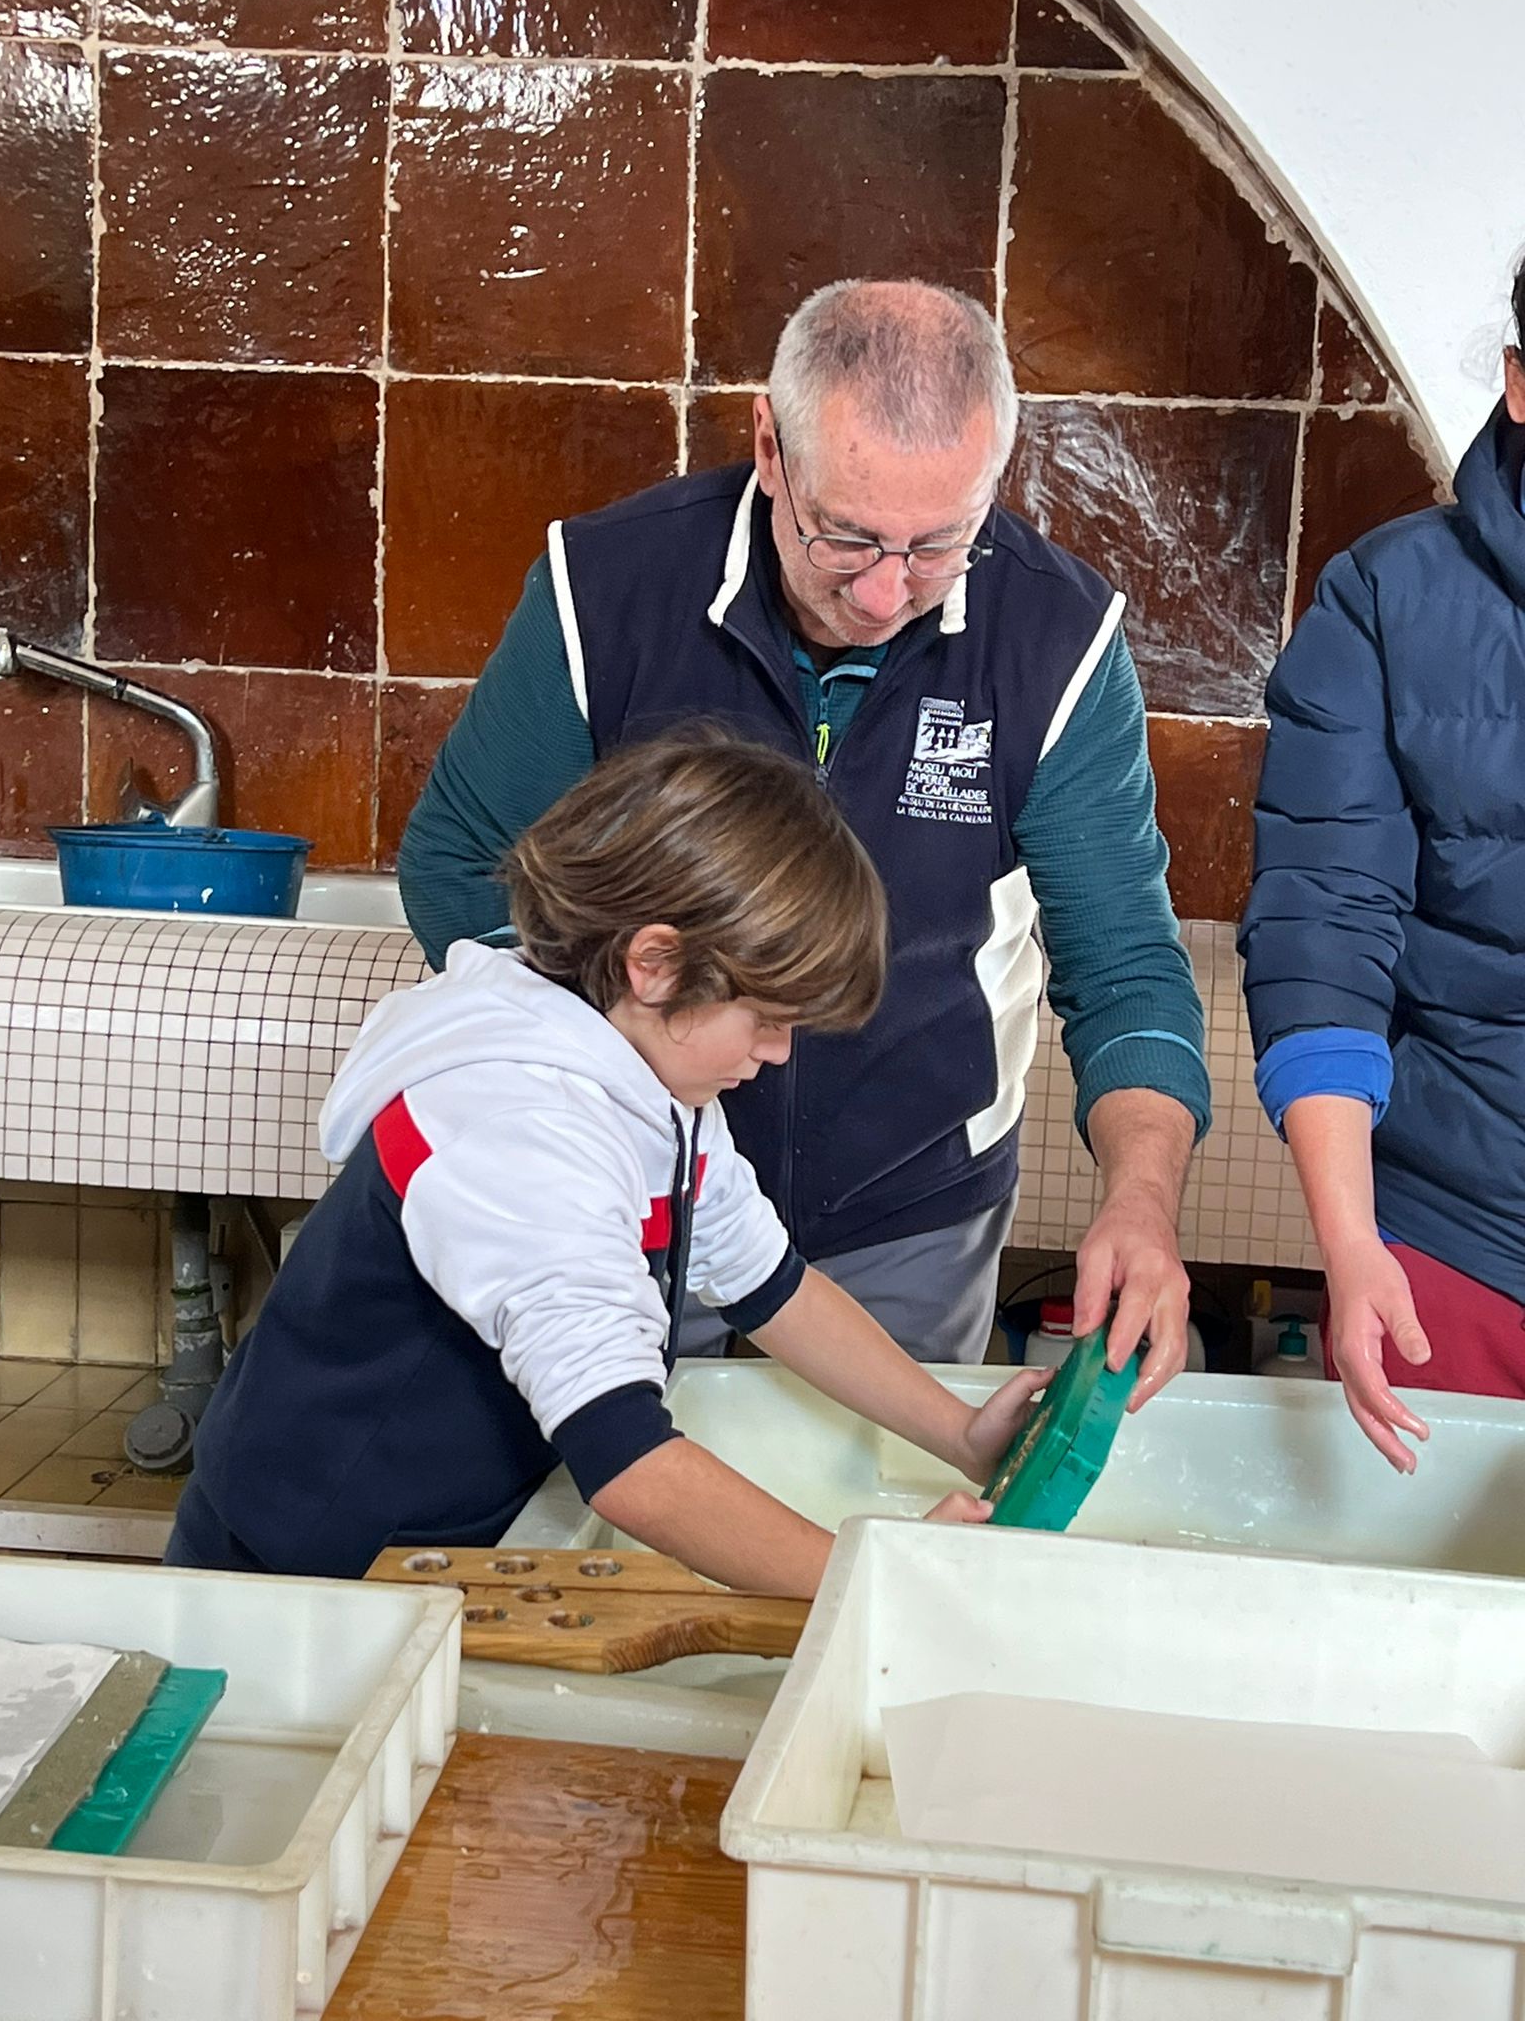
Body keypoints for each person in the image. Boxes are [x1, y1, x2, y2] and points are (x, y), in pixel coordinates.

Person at [400, 278, 1210, 1391]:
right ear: (770, 450)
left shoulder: (1059, 640)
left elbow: (1125, 970)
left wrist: (1143, 1201)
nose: (885, 595)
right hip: (628, 1178)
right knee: (620, 1474)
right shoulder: (605, 588)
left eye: (940, 544)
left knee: (880, 1481)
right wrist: (619, 1076)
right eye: (848, 538)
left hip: (914, 1208)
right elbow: (458, 864)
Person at [164, 738, 1050, 1593]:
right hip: (303, 1570)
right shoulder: (520, 1128)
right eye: (767, 1018)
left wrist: (962, 1432)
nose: (780, 1053)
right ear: (655, 964)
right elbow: (629, 1465)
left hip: (441, 1537)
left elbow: (771, 1286)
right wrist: (879, 1577)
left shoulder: (650, 1080)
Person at [1239, 255, 1525, 1473]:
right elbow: (1325, 923)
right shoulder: (1385, 598)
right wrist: (1352, 1239)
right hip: (1452, 1247)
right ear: (1520, 383)